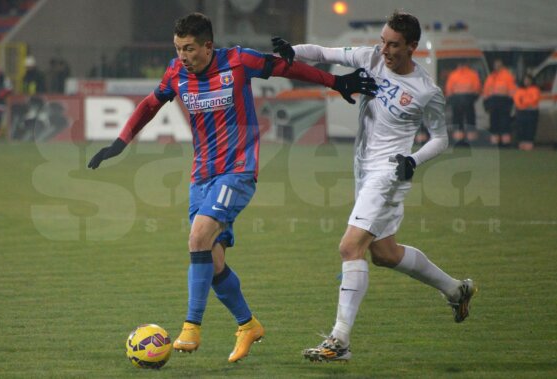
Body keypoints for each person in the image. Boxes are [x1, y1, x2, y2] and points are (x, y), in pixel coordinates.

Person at [88, 12, 377, 363]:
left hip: (238, 171)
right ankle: (247, 324)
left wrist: (336, 82)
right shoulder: (176, 72)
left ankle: (191, 326)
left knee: (197, 239)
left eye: (190, 48)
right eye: (178, 48)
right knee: (212, 257)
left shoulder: (238, 61)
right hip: (201, 176)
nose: (182, 56)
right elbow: (151, 104)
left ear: (208, 46)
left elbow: (285, 68)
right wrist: (120, 141)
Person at [272, 10, 476, 362]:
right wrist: (293, 50)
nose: (384, 49)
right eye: (383, 41)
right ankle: (456, 289)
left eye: (393, 44)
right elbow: (324, 53)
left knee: (350, 247)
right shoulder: (370, 57)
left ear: (413, 47)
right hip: (363, 168)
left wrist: (413, 159)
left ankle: (340, 340)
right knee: (384, 254)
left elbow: (441, 139)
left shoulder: (427, 91)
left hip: (390, 172)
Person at [483, 59, 516, 147]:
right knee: (494, 124)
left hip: (504, 102)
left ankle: (505, 144)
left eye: (498, 65)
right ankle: (495, 143)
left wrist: (510, 103)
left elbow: (512, 91)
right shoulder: (491, 76)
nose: (496, 67)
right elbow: (486, 91)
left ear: (502, 66)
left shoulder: (507, 76)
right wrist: (486, 103)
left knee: (504, 124)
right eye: (495, 65)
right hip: (493, 102)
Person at [445, 62, 481, 143]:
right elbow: (477, 89)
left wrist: (451, 100)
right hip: (469, 100)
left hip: (456, 101)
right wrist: (473, 98)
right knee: (470, 119)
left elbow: (449, 90)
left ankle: (458, 140)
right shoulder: (472, 74)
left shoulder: (453, 75)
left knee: (457, 120)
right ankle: (471, 140)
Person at [513, 74, 540, 151]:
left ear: (531, 81)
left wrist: (523, 101)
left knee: (530, 130)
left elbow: (534, 99)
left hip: (532, 113)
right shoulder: (520, 90)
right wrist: (525, 102)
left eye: (528, 80)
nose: (527, 81)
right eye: (525, 80)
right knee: (521, 129)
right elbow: (517, 100)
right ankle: (522, 146)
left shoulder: (535, 89)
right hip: (521, 113)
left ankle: (529, 147)